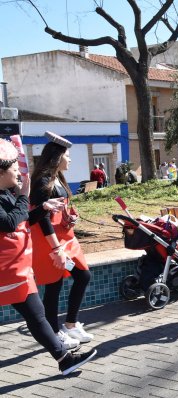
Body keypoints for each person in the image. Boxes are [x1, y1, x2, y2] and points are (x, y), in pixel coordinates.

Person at [0, 139, 97, 375]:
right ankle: (64, 356)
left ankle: (65, 359)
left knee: (37, 316)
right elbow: (10, 223)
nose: (19, 174)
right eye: (14, 170)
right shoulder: (17, 192)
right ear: (1, 172)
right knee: (38, 314)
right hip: (8, 269)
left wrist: (42, 209)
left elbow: (22, 220)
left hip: (16, 267)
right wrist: (25, 196)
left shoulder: (7, 192)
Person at [30, 132, 94, 348]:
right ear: (57, 157)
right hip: (51, 242)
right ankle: (55, 331)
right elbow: (42, 218)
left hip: (67, 239)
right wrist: (56, 248)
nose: (70, 159)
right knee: (54, 284)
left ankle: (70, 323)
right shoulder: (42, 181)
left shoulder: (58, 178)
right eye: (68, 155)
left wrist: (70, 216)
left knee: (83, 275)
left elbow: (59, 209)